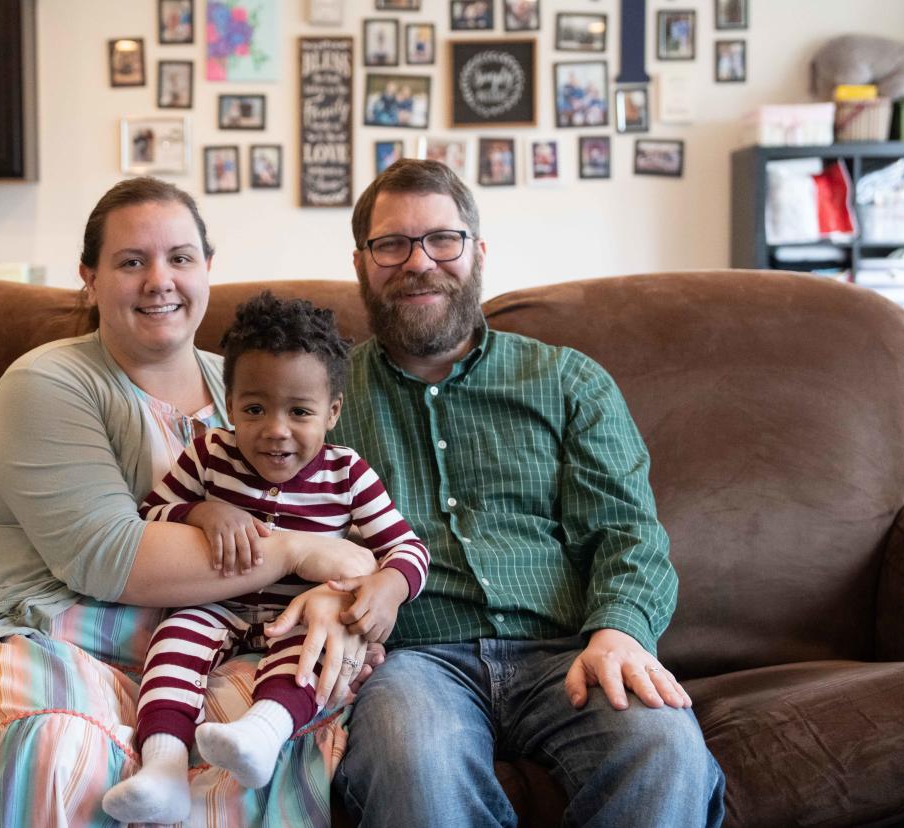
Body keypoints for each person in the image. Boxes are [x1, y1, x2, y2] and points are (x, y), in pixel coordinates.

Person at [0, 178, 375, 826]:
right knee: (70, 749)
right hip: (40, 630)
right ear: (90, 278)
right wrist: (298, 550)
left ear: (207, 269)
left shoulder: (253, 386)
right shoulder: (46, 382)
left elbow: (334, 515)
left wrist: (331, 593)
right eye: (132, 262)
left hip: (191, 647)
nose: (161, 280)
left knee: (276, 729)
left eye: (181, 258)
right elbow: (109, 559)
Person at [273, 159, 728, 826]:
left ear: (478, 251)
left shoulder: (568, 381)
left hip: (569, 652)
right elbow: (281, 518)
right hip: (414, 662)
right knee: (413, 772)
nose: (417, 262)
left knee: (667, 757)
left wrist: (619, 632)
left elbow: (627, 532)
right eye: (391, 244)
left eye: (442, 240)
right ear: (361, 262)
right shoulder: (320, 398)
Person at [103, 292, 429, 824]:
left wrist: (389, 586)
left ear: (332, 413)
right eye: (255, 409)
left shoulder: (347, 475)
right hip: (215, 604)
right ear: (229, 406)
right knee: (175, 637)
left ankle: (262, 733)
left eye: (299, 411)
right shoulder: (209, 455)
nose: (276, 429)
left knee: (316, 650)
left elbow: (407, 548)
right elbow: (148, 516)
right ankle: (161, 769)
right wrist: (203, 512)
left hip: (296, 614)